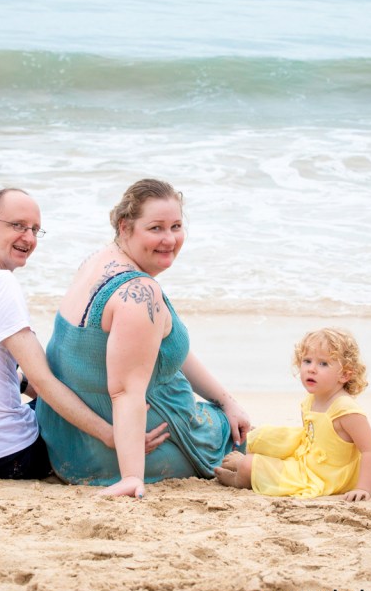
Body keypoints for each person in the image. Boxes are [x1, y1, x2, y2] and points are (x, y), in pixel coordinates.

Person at [0, 187, 160, 480]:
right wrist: (109, 434)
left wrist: (27, 387)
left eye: (35, 230)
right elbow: (44, 383)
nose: (28, 238)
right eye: (17, 225)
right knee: (96, 405)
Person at [36, 178, 251, 498]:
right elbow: (125, 392)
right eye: (156, 228)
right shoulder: (139, 295)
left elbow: (162, 350)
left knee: (233, 417)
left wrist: (227, 400)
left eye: (176, 226)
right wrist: (131, 476)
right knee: (238, 437)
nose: (169, 239)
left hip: (66, 440)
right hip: (116, 453)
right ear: (126, 227)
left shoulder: (96, 261)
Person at [213, 328, 371, 500]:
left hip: (324, 476)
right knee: (262, 435)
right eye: (307, 361)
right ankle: (248, 458)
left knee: (249, 464)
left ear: (344, 374)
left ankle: (238, 477)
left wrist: (363, 488)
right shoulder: (311, 400)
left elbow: (370, 450)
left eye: (323, 364)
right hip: (307, 457)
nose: (311, 369)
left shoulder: (346, 410)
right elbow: (309, 438)